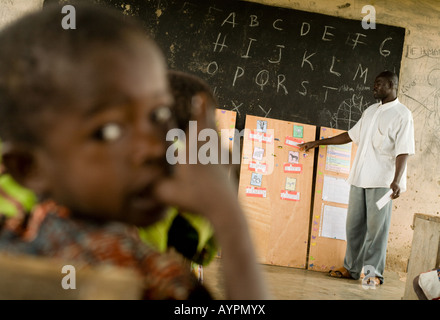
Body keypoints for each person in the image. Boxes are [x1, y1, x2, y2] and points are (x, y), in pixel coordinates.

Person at [0, 3, 268, 300]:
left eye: (158, 115)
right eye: (108, 131)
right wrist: (228, 215)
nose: (156, 147)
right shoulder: (149, 277)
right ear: (28, 167)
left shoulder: (18, 231)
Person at [299, 70, 415, 286]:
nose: (374, 87)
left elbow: (404, 150)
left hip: (383, 182)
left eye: (379, 84)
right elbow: (350, 135)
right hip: (359, 178)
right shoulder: (371, 111)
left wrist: (397, 181)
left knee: (376, 231)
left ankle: (372, 274)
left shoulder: (402, 115)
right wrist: (318, 143)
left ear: (392, 85)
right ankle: (351, 268)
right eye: (374, 84)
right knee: (353, 227)